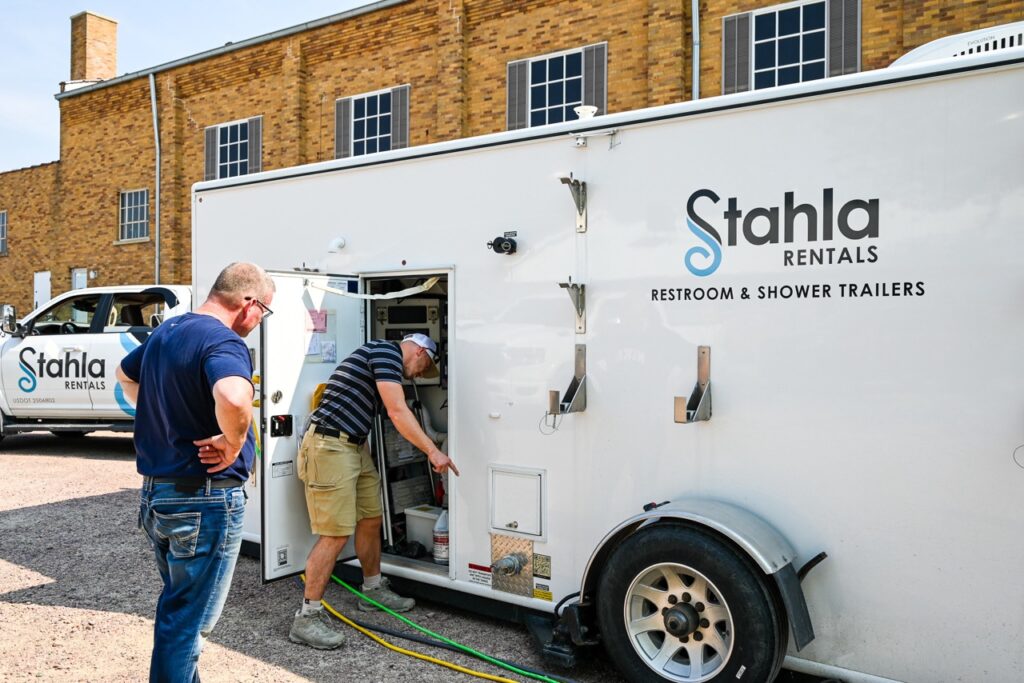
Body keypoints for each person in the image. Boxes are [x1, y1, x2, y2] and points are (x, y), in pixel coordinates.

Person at [116, 262, 274, 682]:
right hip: (203, 500)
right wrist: (234, 441)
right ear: (248, 303)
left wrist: (160, 414)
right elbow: (234, 397)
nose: (260, 322)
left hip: (159, 496)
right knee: (186, 625)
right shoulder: (222, 340)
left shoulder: (168, 331)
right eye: (264, 312)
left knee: (178, 612)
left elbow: (124, 375)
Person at [289, 333, 459, 650]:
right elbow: (397, 411)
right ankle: (307, 617)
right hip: (329, 446)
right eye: (424, 368)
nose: (420, 375)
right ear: (421, 353)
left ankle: (372, 590)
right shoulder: (386, 353)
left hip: (353, 447)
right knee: (335, 534)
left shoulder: (384, 358)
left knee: (370, 518)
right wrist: (432, 452)